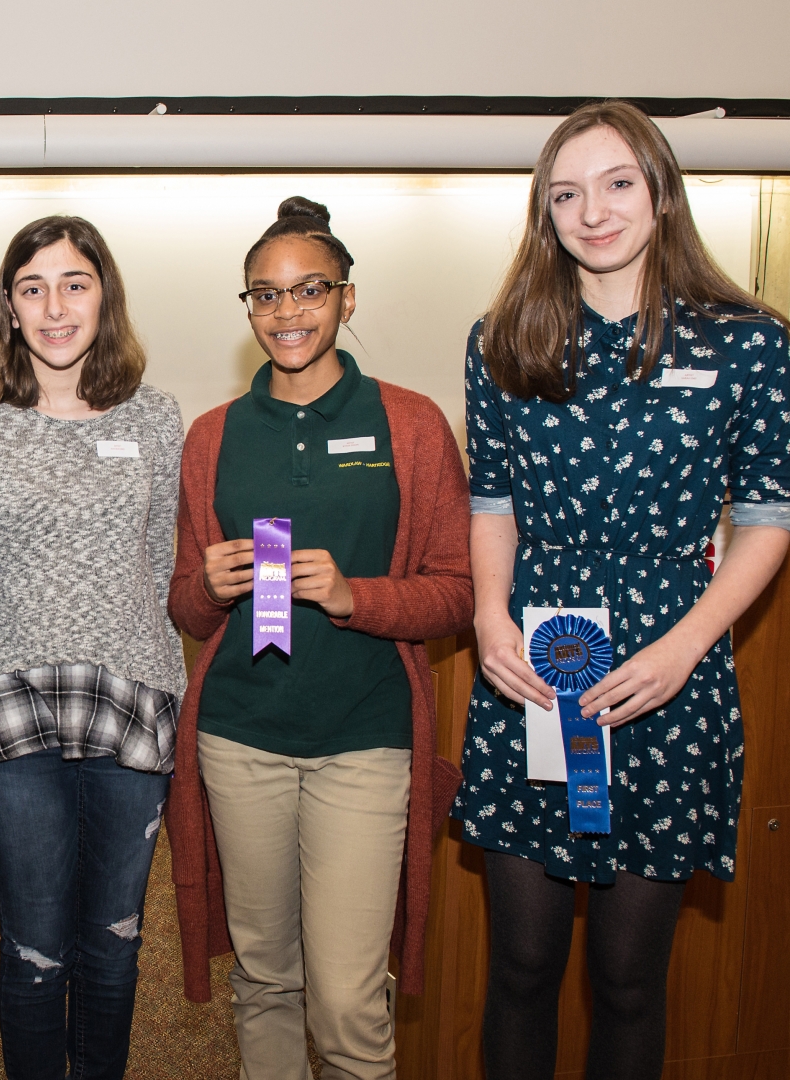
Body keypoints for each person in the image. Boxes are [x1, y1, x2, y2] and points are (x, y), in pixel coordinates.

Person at [454, 101, 790, 1080]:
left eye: (616, 185)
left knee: (630, 979)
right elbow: (492, 500)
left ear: (661, 193)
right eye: (566, 194)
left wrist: (687, 646)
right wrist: (487, 616)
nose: (592, 212)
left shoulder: (747, 343)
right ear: (544, 213)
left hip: (668, 668)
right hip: (534, 663)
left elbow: (769, 517)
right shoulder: (503, 339)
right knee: (521, 967)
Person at [166, 197, 473, 1078]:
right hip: (240, 738)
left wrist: (354, 596)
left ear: (347, 298)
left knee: (345, 998)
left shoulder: (411, 425)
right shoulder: (212, 437)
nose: (286, 312)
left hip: (365, 739)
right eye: (265, 295)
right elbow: (185, 608)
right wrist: (207, 587)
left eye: (309, 290)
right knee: (265, 977)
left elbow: (457, 591)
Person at [0, 216, 184, 1080]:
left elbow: (159, 560)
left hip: (131, 702)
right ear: (9, 306)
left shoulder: (156, 417)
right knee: (35, 945)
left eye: (75, 284)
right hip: (8, 708)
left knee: (115, 944)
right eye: (33, 288)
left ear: (103, 296)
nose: (55, 307)